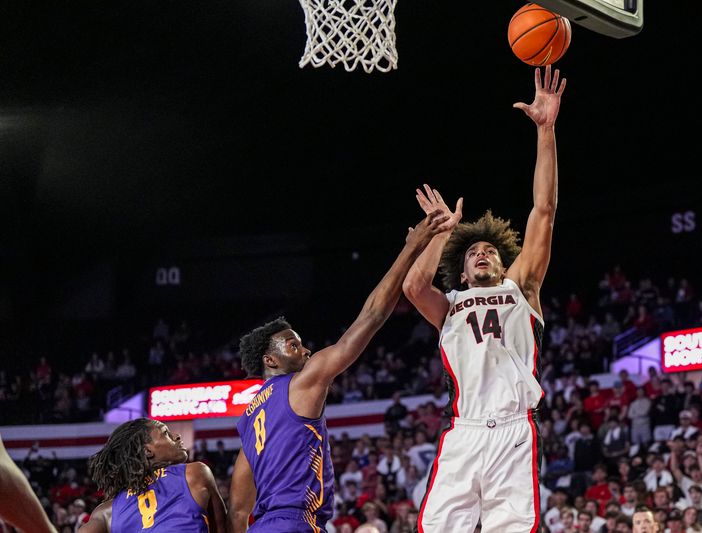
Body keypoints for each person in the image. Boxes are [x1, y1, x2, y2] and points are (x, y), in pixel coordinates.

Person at [402, 64, 566, 532]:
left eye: (489, 250)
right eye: (473, 251)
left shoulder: (522, 287)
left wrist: (546, 132)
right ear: (462, 267)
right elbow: (414, 288)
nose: (481, 255)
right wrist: (439, 233)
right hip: (464, 429)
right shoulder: (450, 303)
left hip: (515, 428)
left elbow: (544, 209)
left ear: (502, 262)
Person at [225, 210, 449, 533]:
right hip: (296, 523)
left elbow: (237, 509)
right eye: (293, 346)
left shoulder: (248, 421)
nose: (305, 351)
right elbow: (371, 316)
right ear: (269, 361)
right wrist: (412, 247)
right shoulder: (301, 383)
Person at [78, 418, 227, 532]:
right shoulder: (194, 474)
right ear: (147, 451)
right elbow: (224, 529)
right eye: (166, 433)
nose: (177, 436)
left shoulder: (105, 512)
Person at [0, 434, 58, 533]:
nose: (40, 461)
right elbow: (25, 463)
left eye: (42, 460)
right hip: (28, 495)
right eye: (38, 460)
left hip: (38, 496)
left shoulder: (47, 470)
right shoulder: (32, 467)